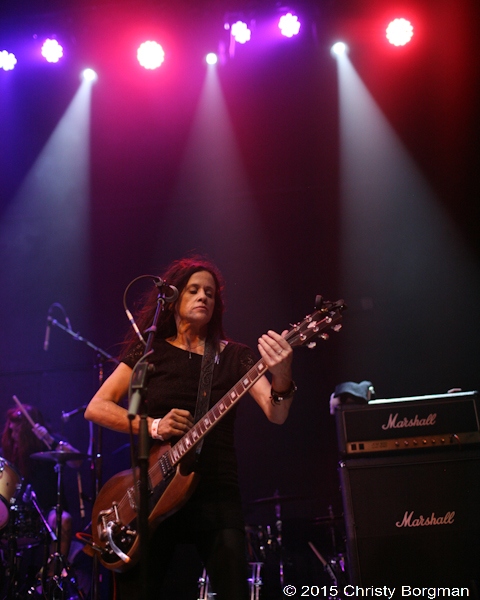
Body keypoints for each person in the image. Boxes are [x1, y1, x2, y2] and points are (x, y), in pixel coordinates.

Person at [84, 255, 296, 600]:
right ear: (172, 299)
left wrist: (283, 374)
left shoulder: (234, 356)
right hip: (153, 495)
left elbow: (277, 413)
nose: (203, 297)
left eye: (210, 293)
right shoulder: (149, 352)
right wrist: (154, 426)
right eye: (194, 290)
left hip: (216, 492)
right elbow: (97, 407)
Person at [0, 405, 80, 564]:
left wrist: (50, 439)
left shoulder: (49, 443)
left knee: (64, 520)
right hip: (15, 511)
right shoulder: (8, 451)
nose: (13, 436)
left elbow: (77, 461)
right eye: (11, 431)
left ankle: (53, 574)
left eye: (17, 431)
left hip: (47, 509)